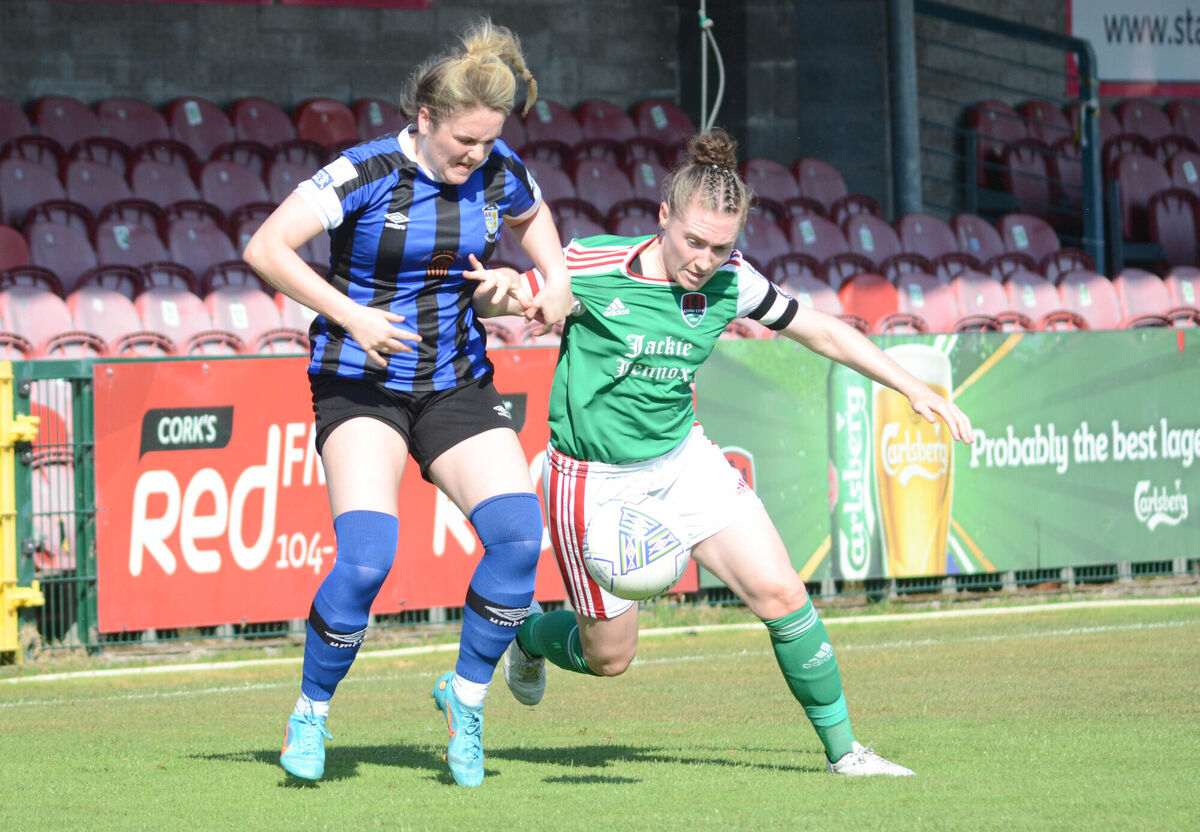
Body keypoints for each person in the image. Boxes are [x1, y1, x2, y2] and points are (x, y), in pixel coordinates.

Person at [471, 128, 974, 777]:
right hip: (592, 482)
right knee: (610, 659)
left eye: (721, 246)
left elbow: (818, 329)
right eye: (693, 241)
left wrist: (911, 387)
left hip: (683, 461)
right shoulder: (594, 267)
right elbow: (512, 294)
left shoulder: (733, 281)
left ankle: (846, 753)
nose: (705, 259)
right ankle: (530, 635)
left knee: (782, 593)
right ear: (663, 218)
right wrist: (508, 288)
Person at [243, 19, 573, 788]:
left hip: (455, 382)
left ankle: (463, 700)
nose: (475, 156)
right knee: (366, 560)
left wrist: (540, 286)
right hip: (359, 384)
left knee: (519, 540)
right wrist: (354, 315)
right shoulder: (363, 172)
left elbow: (536, 226)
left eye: (488, 142)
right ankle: (312, 713)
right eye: (464, 141)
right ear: (424, 120)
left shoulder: (500, 174)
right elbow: (265, 248)